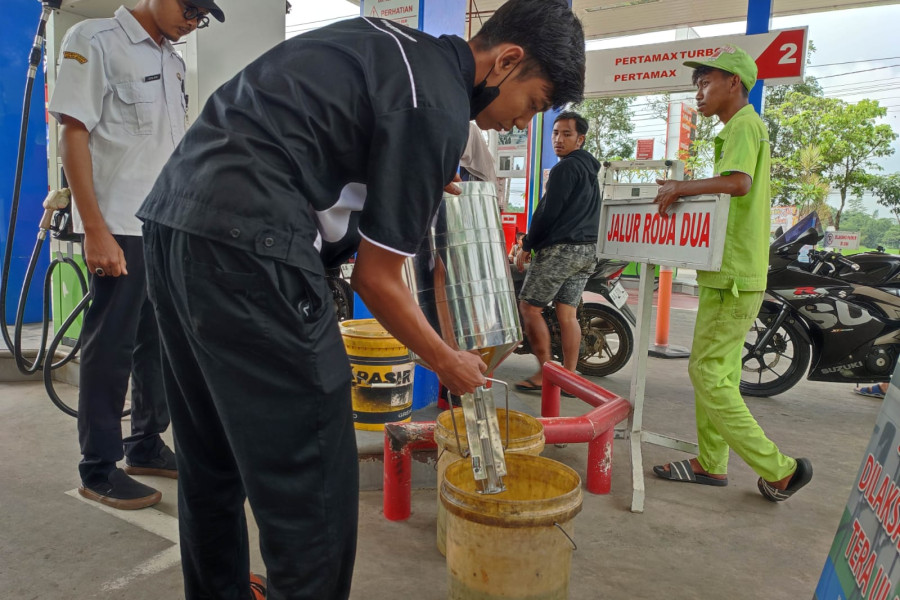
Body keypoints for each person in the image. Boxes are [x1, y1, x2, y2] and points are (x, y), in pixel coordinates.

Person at [136, 1, 586, 598]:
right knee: (312, 477)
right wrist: (446, 359)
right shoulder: (440, 106)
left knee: (211, 456)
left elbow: (323, 136)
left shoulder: (388, 45)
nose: (521, 123)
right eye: (531, 104)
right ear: (507, 60)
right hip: (253, 248)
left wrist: (411, 169)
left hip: (172, 226)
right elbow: (379, 280)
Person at [48, 0, 225, 511]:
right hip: (119, 227)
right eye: (189, 8)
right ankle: (98, 467)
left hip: (164, 225)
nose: (193, 21)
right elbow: (73, 134)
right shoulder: (95, 40)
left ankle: (145, 442)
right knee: (111, 348)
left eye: (202, 16)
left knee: (160, 344)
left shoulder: (171, 60)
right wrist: (94, 230)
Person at [651, 45, 813, 502]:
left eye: (705, 83)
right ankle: (711, 462)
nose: (698, 92)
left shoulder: (744, 124)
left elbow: (738, 182)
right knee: (714, 372)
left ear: (733, 84)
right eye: (696, 84)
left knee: (706, 373)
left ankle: (779, 469)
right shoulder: (739, 128)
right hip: (729, 271)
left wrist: (682, 187)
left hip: (736, 274)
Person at [513, 111, 600, 393]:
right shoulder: (589, 171)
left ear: (580, 139)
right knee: (567, 314)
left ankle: (545, 372)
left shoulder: (565, 169)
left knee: (529, 307)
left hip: (561, 250)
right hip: (587, 251)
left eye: (566, 134)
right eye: (555, 133)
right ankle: (569, 375)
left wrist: (527, 245)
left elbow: (548, 213)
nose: (558, 140)